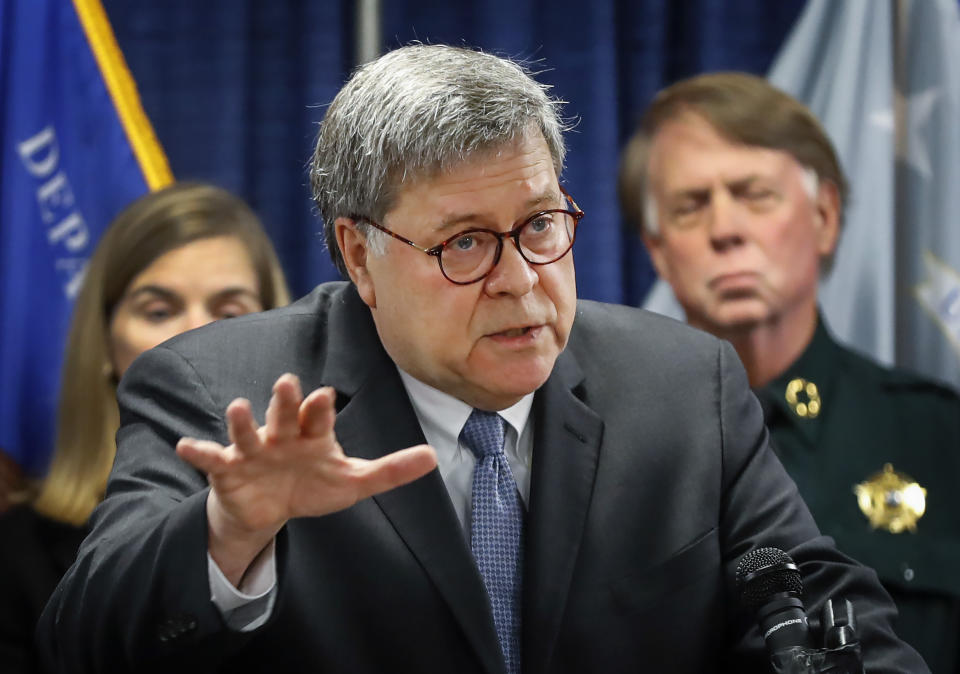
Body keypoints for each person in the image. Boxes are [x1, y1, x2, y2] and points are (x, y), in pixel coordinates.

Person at [38, 46, 926, 673]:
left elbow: (822, 605)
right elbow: (83, 644)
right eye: (465, 243)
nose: (520, 281)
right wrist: (230, 535)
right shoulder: (218, 389)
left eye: (540, 225)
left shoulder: (685, 385)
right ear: (359, 255)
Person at [619, 71, 960, 672]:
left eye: (755, 194)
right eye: (691, 205)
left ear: (824, 216)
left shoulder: (940, 437)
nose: (725, 230)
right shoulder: (609, 449)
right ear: (657, 250)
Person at [0, 182, 290, 673]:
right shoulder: (16, 556)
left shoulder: (337, 531)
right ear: (103, 344)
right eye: (159, 311)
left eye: (229, 313)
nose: (195, 336)